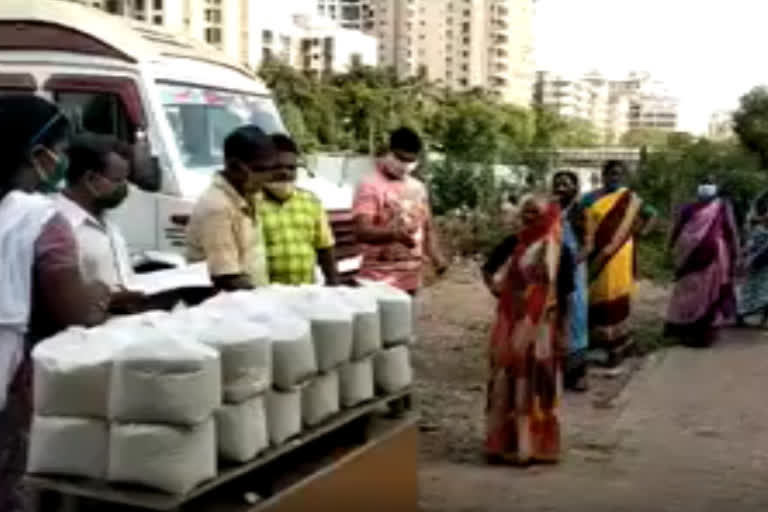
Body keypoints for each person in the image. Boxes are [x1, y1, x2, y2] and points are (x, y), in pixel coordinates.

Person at [0, 96, 109, 511]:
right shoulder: (39, 220)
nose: (63, 163)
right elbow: (73, 312)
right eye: (62, 152)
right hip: (15, 381)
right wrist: (96, 296)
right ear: (38, 154)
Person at [484, 195, 568, 465]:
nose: (529, 216)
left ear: (547, 215)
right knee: (507, 378)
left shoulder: (558, 250)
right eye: (526, 211)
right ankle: (505, 444)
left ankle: (534, 445)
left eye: (535, 212)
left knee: (536, 381)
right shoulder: (513, 242)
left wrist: (563, 331)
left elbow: (565, 295)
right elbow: (488, 269)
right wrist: (500, 292)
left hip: (543, 327)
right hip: (511, 323)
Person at [56, 133, 145, 313]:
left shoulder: (107, 219)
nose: (125, 187)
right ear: (89, 179)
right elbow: (59, 300)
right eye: (118, 180)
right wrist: (113, 300)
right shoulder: (58, 225)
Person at [579, 160, 656, 367]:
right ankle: (595, 342)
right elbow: (576, 218)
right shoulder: (589, 198)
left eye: (619, 174)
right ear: (603, 175)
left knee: (617, 292)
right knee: (595, 293)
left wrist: (640, 233)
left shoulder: (631, 200)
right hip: (594, 253)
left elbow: (652, 215)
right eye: (611, 173)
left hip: (621, 252)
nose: (615, 177)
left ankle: (618, 343)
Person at [353, 127, 447, 294]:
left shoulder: (418, 187)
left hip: (412, 281)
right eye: (400, 159)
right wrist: (393, 235)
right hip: (377, 283)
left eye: (410, 161)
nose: (405, 166)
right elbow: (362, 231)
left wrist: (437, 258)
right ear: (389, 152)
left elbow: (428, 228)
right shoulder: (370, 185)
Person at [186, 125, 279, 291]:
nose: (267, 177)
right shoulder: (217, 208)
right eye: (260, 169)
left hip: (252, 299)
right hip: (226, 305)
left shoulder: (250, 195)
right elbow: (227, 278)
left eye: (271, 169)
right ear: (234, 166)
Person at [664, 181, 739, 346]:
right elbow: (677, 229)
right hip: (691, 258)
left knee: (705, 294)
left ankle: (703, 333)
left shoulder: (720, 207)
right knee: (692, 293)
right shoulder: (689, 208)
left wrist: (737, 254)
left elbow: (731, 231)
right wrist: (669, 249)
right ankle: (688, 330)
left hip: (711, 258)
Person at [258, 134, 339, 285]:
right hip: (265, 296)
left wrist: (333, 281)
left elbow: (325, 247)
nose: (285, 172)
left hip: (305, 294)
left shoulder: (311, 201)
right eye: (276, 166)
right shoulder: (250, 204)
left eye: (291, 167)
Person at [552, 171, 589, 390]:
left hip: (573, 268)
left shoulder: (581, 210)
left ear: (575, 187)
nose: (561, 187)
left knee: (575, 317)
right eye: (557, 183)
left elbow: (588, 244)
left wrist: (571, 263)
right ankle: (553, 371)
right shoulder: (549, 209)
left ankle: (577, 374)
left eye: (566, 184)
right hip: (550, 267)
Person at [737, 189, 768, 325]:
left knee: (757, 290)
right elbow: (749, 246)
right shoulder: (757, 231)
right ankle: (744, 316)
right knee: (754, 289)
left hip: (758, 263)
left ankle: (756, 318)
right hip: (757, 264)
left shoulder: (756, 230)